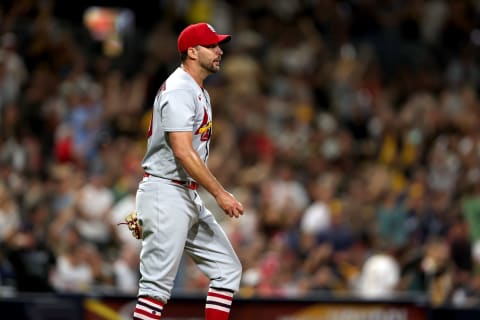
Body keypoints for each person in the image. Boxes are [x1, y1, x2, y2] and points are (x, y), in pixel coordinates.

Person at [132, 22, 244, 320]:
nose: (220, 50)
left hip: (183, 193)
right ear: (192, 52)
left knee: (227, 270)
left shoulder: (198, 90)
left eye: (219, 45)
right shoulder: (180, 90)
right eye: (212, 46)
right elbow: (182, 150)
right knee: (154, 292)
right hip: (165, 192)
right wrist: (220, 194)